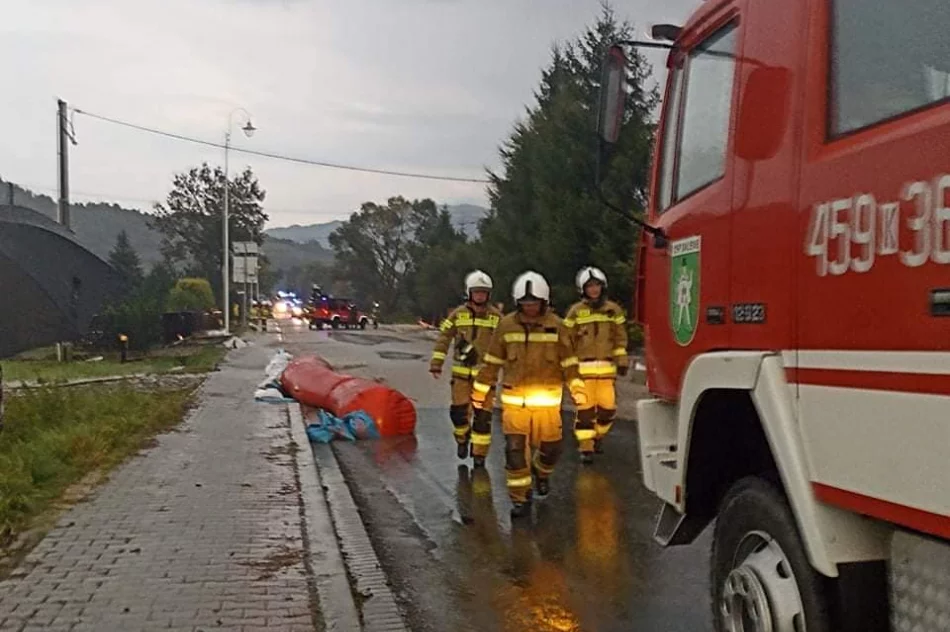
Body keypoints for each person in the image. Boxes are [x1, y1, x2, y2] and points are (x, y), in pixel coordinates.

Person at [471, 271, 587, 518]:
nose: (530, 308)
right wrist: (480, 392)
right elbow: (492, 362)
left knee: (551, 450)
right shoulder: (506, 326)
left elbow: (569, 362)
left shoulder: (558, 326)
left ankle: (542, 473)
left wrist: (577, 388)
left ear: (544, 302)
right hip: (515, 405)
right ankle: (520, 499)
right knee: (515, 452)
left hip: (548, 404)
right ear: (517, 303)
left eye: (534, 304)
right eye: (525, 304)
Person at [429, 270, 502, 466]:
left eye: (483, 292)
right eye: (477, 292)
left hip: (486, 379)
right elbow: (444, 337)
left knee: (483, 418)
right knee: (459, 414)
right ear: (469, 293)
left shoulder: (496, 317)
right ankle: (462, 439)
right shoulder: (458, 314)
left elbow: (507, 343)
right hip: (461, 376)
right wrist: (437, 363)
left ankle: (479, 455)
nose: (480, 296)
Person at [564, 267, 628, 464]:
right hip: (583, 373)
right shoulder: (575, 312)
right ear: (582, 289)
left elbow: (620, 337)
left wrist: (622, 359)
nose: (593, 290)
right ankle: (586, 448)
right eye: (589, 286)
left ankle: (597, 437)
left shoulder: (613, 310)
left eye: (596, 285)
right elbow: (566, 341)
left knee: (608, 411)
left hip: (606, 373)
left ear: (603, 287)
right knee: (585, 413)